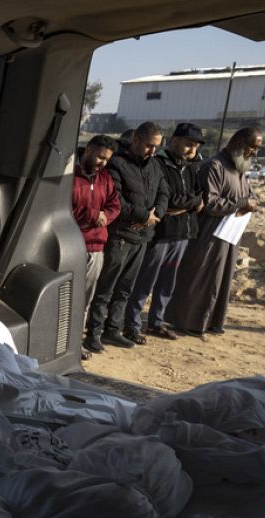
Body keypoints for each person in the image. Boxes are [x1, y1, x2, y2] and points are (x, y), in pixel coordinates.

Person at [166, 128, 263, 338]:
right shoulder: (215, 166)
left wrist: (252, 201)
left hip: (230, 234)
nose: (254, 152)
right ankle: (188, 322)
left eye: (257, 149)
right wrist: (243, 203)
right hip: (210, 234)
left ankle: (211, 321)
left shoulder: (239, 168)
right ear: (238, 143)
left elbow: (247, 193)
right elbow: (211, 202)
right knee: (201, 279)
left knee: (221, 279)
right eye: (252, 147)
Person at [84, 121, 169, 353]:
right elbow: (116, 200)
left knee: (125, 288)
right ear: (136, 141)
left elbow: (164, 191)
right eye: (150, 146)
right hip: (119, 236)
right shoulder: (117, 164)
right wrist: (143, 215)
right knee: (106, 287)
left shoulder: (154, 166)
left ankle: (113, 329)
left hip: (142, 237)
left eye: (157, 147)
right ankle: (94, 333)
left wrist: (156, 214)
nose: (153, 151)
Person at [124, 123, 205, 342]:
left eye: (195, 146)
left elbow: (199, 198)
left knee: (167, 283)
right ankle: (131, 323)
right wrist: (190, 203)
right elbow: (166, 199)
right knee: (145, 282)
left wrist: (188, 204)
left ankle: (156, 322)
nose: (191, 150)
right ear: (175, 141)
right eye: (188, 144)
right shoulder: (159, 164)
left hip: (183, 234)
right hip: (161, 234)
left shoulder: (191, 168)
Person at [71, 134, 120, 360]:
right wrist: (94, 215)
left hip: (95, 248)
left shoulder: (106, 178)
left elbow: (114, 205)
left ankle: (73, 345)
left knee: (84, 300)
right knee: (65, 297)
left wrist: (106, 217)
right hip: (70, 245)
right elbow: (63, 206)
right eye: (100, 157)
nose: (103, 163)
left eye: (107, 159)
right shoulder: (69, 174)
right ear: (88, 149)